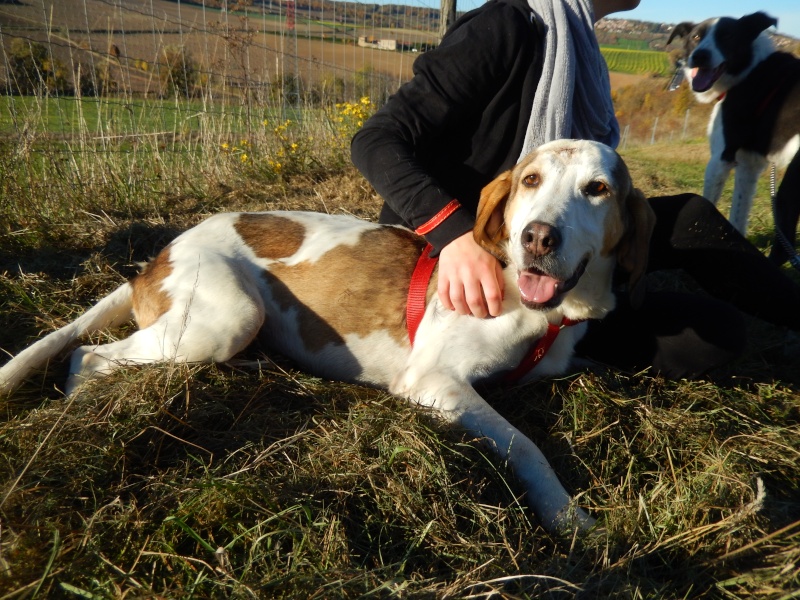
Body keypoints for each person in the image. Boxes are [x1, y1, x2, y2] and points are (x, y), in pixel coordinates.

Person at [351, 0, 800, 379]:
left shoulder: (579, 45)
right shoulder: (506, 25)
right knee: (704, 336)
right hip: (469, 253)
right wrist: (455, 236)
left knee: (704, 284)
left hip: (559, 238)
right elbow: (376, 139)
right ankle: (544, 346)